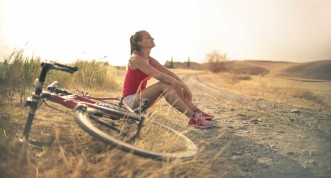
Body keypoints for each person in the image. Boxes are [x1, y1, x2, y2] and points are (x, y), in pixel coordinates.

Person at [122, 30, 214, 129]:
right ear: (139, 42)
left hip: (140, 101)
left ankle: (196, 111)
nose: (152, 38)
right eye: (148, 37)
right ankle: (193, 118)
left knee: (172, 82)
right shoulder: (135, 59)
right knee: (164, 85)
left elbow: (169, 73)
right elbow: (160, 76)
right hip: (129, 102)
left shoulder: (149, 59)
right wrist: (182, 86)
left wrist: (183, 86)